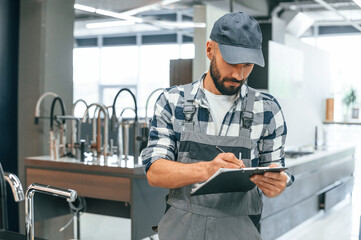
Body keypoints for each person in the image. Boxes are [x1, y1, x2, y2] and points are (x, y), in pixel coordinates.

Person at [141, 11, 293, 240]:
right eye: (231, 62)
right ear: (210, 49)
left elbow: (275, 169)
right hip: (180, 231)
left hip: (240, 233)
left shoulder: (268, 110)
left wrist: (278, 184)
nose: (238, 74)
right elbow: (155, 172)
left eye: (247, 65)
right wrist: (207, 170)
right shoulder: (172, 101)